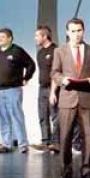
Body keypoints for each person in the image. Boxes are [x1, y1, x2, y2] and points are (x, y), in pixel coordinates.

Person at [51, 18, 90, 178]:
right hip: (67, 99)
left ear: (83, 31)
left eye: (79, 30)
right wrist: (62, 80)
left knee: (87, 136)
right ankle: (65, 170)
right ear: (67, 32)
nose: (76, 34)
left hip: (86, 98)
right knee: (65, 136)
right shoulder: (60, 51)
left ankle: (87, 170)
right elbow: (54, 72)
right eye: (73, 31)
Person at [0, 28, 36, 153]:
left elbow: (31, 64)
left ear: (10, 38)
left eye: (2, 37)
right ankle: (6, 144)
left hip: (13, 89)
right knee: (3, 118)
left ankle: (22, 144)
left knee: (17, 116)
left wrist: (26, 78)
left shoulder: (17, 51)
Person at [31, 25, 60, 153]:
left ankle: (56, 142)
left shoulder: (55, 50)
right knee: (43, 115)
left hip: (53, 88)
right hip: (42, 88)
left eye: (37, 36)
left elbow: (57, 72)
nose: (35, 38)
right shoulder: (40, 52)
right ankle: (45, 141)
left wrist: (53, 92)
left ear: (44, 36)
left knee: (55, 116)